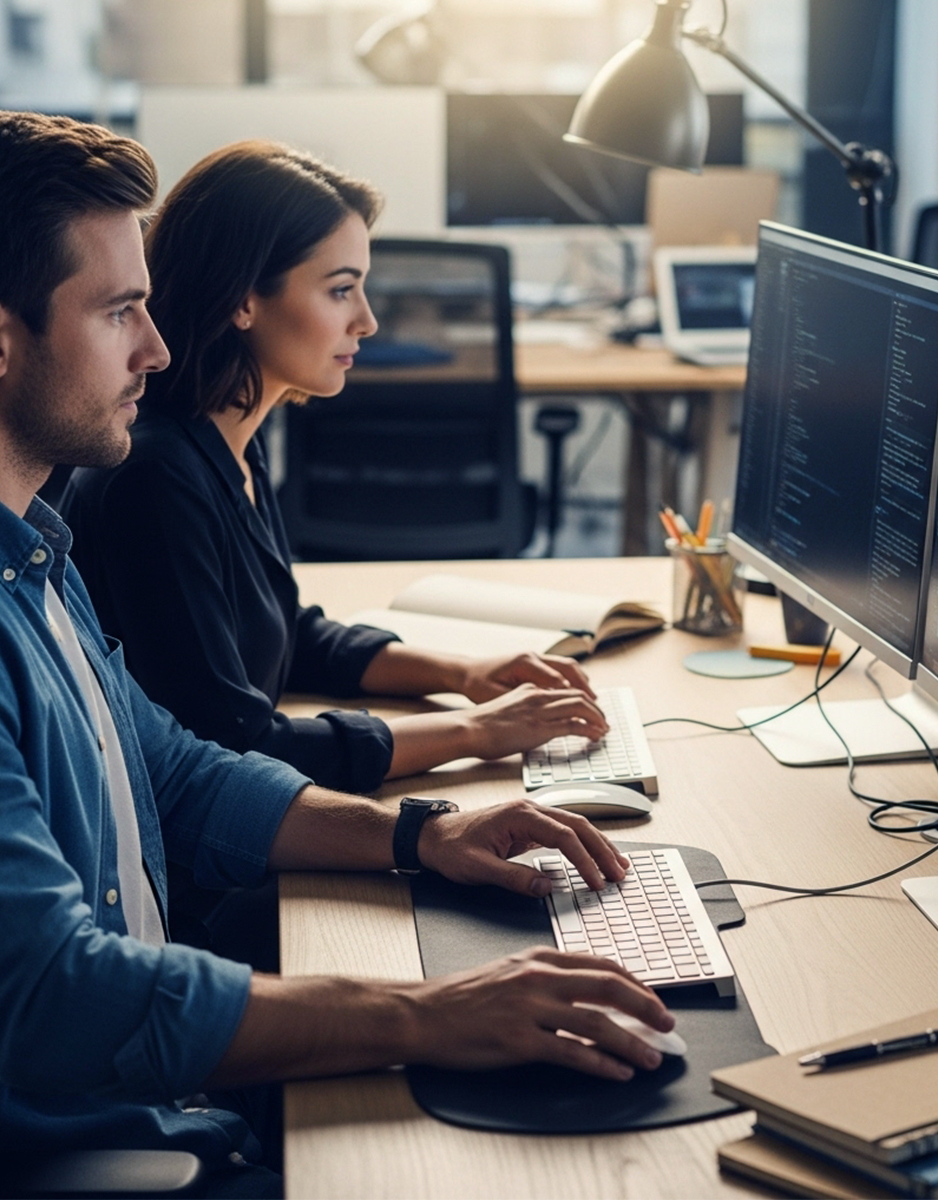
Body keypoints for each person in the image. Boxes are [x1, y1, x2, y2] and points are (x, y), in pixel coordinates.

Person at [0, 112, 673, 1198]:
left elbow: (175, 767)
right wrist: (424, 1012)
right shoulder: (105, 510)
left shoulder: (40, 554)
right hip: (100, 1141)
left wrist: (423, 835)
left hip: (167, 1097)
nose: (157, 347)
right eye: (121, 311)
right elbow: (58, 997)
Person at [61, 139, 607, 798]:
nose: (369, 321)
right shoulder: (156, 477)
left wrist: (465, 674)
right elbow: (236, 746)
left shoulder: (227, 434)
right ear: (244, 300)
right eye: (341, 289)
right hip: (209, 864)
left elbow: (284, 631)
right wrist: (473, 733)